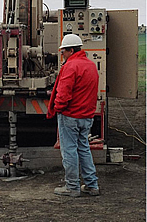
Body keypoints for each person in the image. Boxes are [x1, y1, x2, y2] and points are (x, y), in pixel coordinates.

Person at [47, 34, 100, 197]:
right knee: (83, 148)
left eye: (63, 52)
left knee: (69, 151)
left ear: (70, 50)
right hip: (86, 116)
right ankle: (92, 185)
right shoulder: (90, 65)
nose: (62, 55)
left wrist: (58, 108)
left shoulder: (70, 67)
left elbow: (63, 93)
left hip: (70, 116)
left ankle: (72, 187)